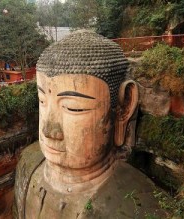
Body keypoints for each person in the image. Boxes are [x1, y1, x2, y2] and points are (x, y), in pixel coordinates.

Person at [14, 30, 167, 219]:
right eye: (42, 100)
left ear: (124, 107)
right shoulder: (27, 165)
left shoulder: (140, 208)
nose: (48, 130)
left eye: (73, 108)